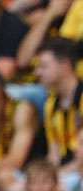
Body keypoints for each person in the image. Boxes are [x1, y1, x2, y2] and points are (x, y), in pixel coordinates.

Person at [36, 38, 82, 168]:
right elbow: (53, 153)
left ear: (65, 65)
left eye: (43, 66)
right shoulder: (50, 104)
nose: (37, 73)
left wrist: (62, 175)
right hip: (65, 173)